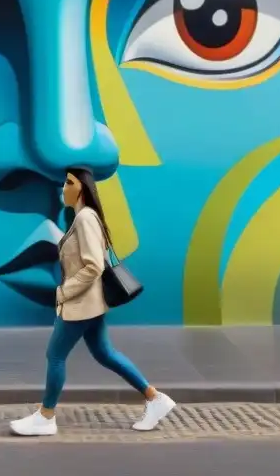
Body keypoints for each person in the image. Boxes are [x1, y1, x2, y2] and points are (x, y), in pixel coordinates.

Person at [10, 167, 176, 436]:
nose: (63, 187)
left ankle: (46, 416)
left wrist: (63, 292)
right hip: (90, 303)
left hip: (81, 304)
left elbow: (93, 266)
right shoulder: (83, 218)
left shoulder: (86, 218)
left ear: (82, 188)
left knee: (55, 356)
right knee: (104, 353)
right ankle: (154, 398)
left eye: (69, 182)